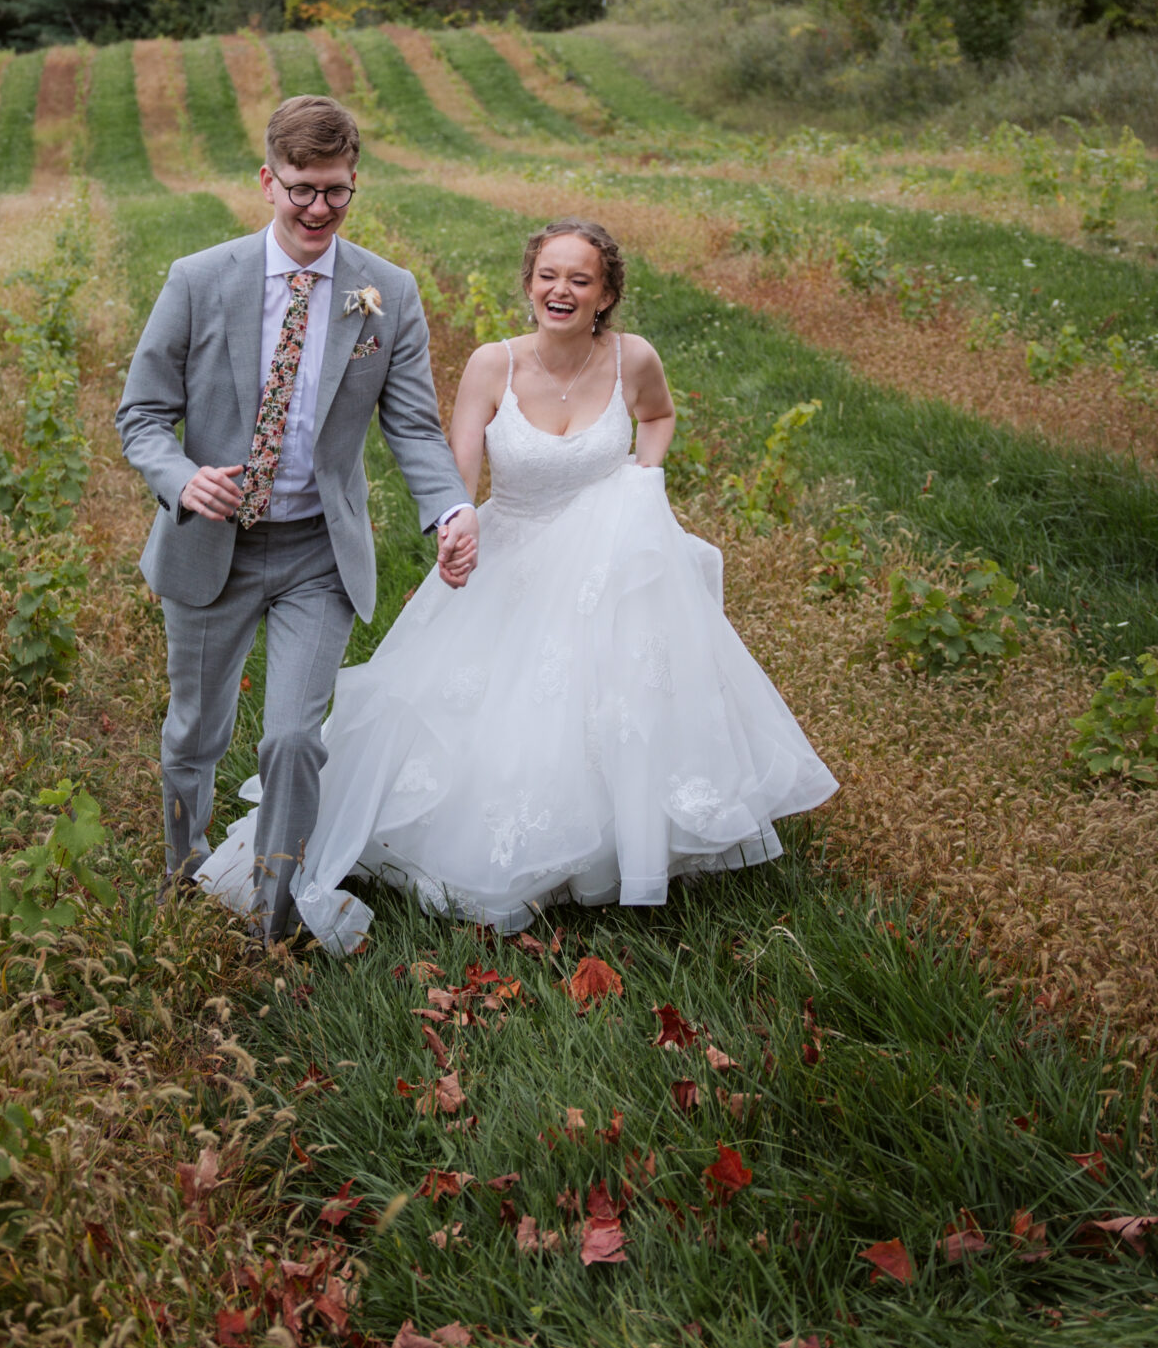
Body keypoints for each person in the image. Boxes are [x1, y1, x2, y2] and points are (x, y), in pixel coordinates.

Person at [197, 218, 838, 949]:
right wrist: (453, 526)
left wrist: (643, 479)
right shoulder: (491, 365)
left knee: (618, 705)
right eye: (547, 276)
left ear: (605, 295)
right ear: (528, 283)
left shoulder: (634, 359)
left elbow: (656, 419)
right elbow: (456, 472)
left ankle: (621, 842)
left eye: (579, 280)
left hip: (608, 560)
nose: (559, 291)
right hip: (514, 549)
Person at [115, 95, 478, 942]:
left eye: (337, 192)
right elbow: (140, 414)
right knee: (193, 735)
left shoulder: (386, 293)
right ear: (267, 180)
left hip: (317, 551)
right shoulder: (199, 280)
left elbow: (415, 427)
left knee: (291, 741)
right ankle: (183, 872)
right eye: (302, 189)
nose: (318, 209)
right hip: (213, 547)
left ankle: (274, 921)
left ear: (355, 185)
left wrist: (450, 509)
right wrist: (181, 478)